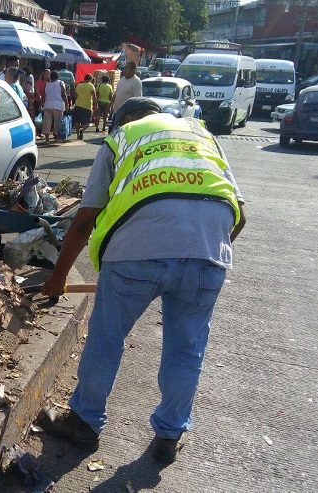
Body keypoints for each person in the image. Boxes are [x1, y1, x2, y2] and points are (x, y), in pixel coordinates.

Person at [37, 98, 246, 463]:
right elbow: (240, 215)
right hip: (209, 252)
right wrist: (198, 250)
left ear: (128, 118)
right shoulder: (204, 134)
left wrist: (58, 275)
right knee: (186, 348)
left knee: (107, 337)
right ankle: (169, 435)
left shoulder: (122, 136)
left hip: (135, 252)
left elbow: (85, 219)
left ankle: (84, 425)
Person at [41, 70, 67, 145]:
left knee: (47, 122)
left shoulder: (47, 84)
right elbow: (64, 95)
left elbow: (44, 95)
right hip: (58, 105)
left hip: (48, 104)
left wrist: (41, 105)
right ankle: (56, 138)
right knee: (57, 122)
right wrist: (67, 104)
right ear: (58, 76)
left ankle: (47, 139)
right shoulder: (61, 83)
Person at [73, 73, 97, 140]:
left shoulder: (79, 85)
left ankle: (78, 134)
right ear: (90, 79)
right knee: (87, 121)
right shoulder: (91, 86)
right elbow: (94, 96)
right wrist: (96, 105)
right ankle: (82, 130)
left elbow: (75, 96)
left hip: (78, 104)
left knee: (77, 120)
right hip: (87, 105)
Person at [34, 68, 50, 136]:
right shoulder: (39, 82)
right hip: (38, 101)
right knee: (37, 117)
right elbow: (37, 92)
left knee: (44, 118)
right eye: (45, 74)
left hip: (46, 102)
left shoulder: (50, 82)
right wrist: (41, 102)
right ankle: (37, 132)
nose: (46, 75)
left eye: (48, 74)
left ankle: (41, 132)